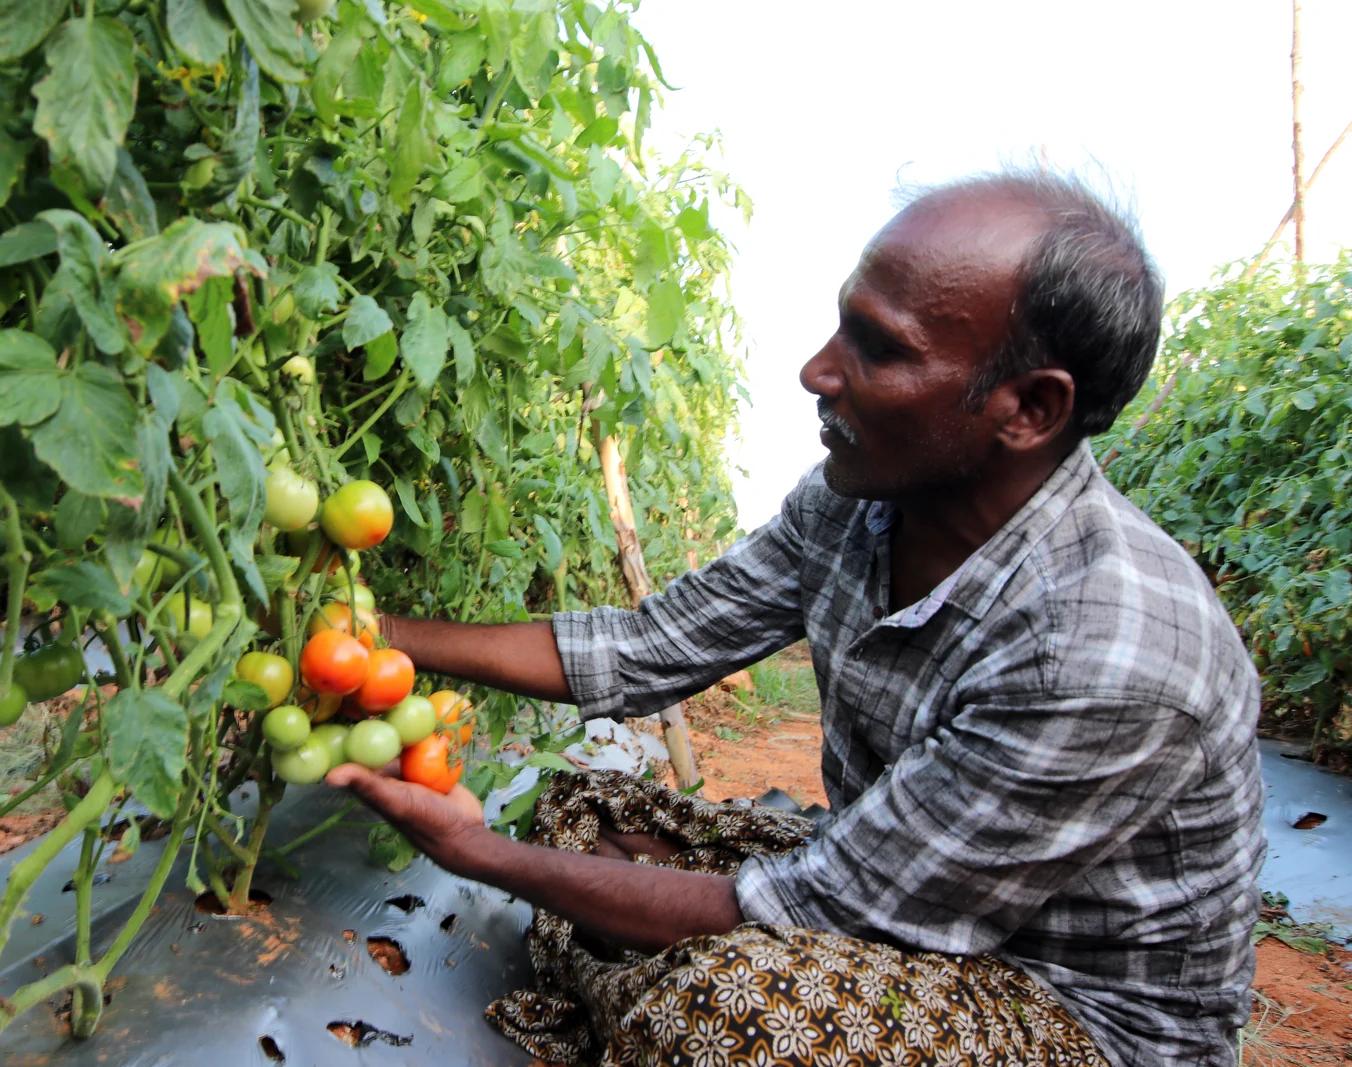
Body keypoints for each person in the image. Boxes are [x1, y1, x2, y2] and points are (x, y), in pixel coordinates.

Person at [325, 169, 1264, 1067]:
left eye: (881, 348)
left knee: (722, 1016)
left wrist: (479, 853)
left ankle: (643, 992)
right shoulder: (851, 504)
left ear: (1029, 408)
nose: (819, 370)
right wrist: (378, 639)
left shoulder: (1107, 650)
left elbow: (823, 910)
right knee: (585, 812)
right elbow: (650, 648)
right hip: (893, 899)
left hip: (1070, 1015)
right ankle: (635, 982)